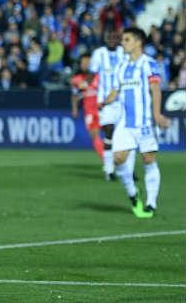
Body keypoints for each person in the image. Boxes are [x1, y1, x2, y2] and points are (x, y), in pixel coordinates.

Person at [102, 27, 171, 218]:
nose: (123, 43)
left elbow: (156, 89)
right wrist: (106, 100)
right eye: (123, 40)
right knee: (118, 158)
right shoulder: (121, 67)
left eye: (127, 40)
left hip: (145, 121)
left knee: (148, 159)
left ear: (138, 42)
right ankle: (133, 193)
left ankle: (151, 203)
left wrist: (157, 114)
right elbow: (117, 91)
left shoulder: (149, 63)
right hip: (125, 122)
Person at [90, 30, 127, 180]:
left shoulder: (123, 52)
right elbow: (92, 74)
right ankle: (109, 169)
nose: (112, 40)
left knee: (123, 136)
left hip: (122, 100)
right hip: (105, 101)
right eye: (109, 37)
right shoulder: (99, 53)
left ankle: (124, 169)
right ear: (105, 38)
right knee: (109, 132)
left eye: (114, 37)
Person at [70, 53, 104, 159]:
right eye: (83, 63)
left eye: (88, 63)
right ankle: (107, 161)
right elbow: (75, 95)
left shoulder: (100, 77)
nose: (85, 65)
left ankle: (113, 159)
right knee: (94, 135)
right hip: (89, 111)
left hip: (103, 110)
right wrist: (75, 109)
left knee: (111, 134)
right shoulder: (76, 80)